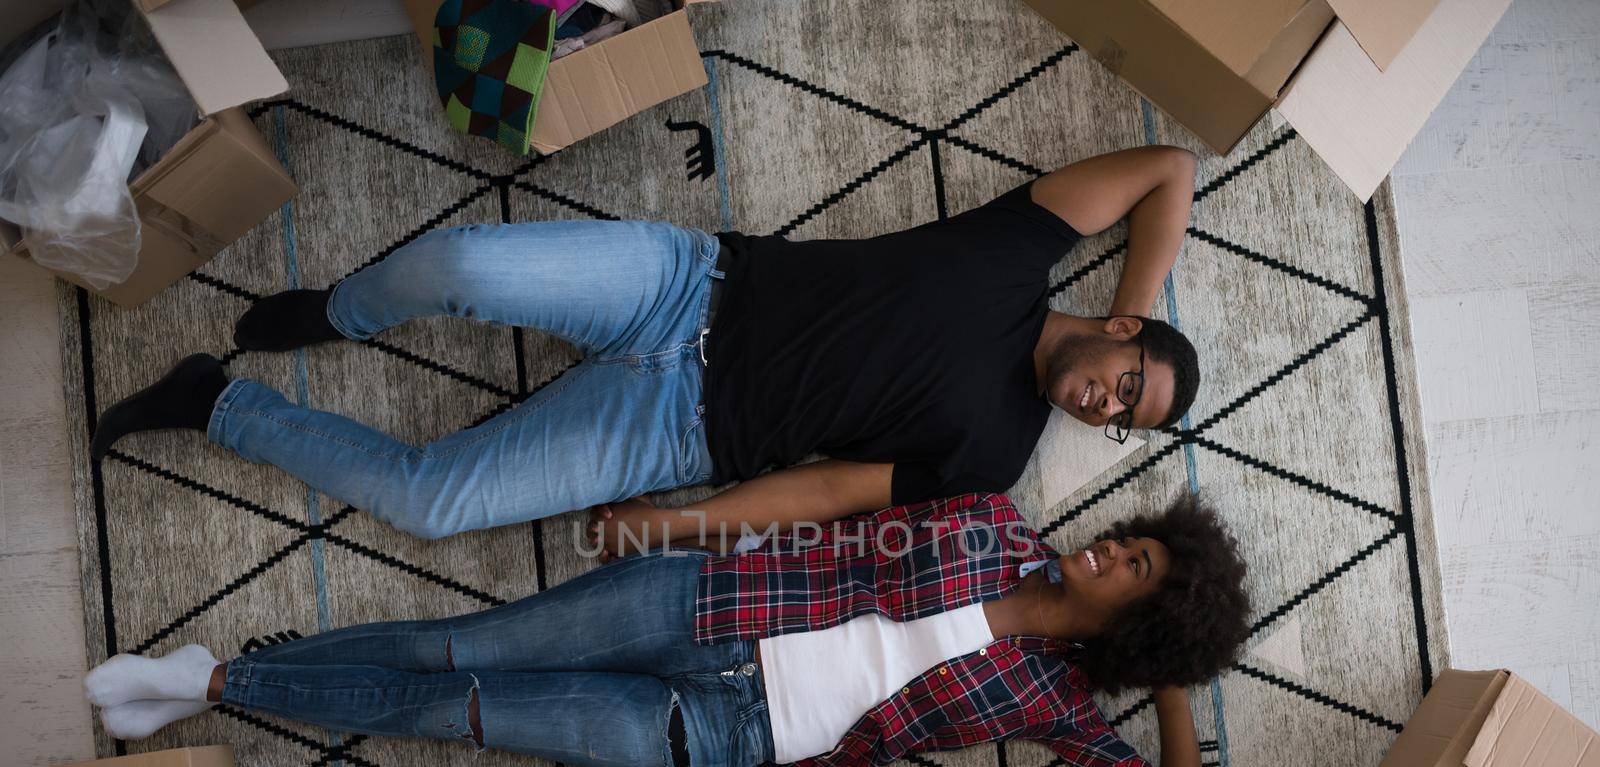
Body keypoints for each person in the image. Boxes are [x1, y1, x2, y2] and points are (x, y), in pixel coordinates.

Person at [89, 147, 1202, 542]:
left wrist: (676, 527)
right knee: (466, 265)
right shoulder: (1022, 254)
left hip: (675, 431)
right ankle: (341, 314)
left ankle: (216, 405)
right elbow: (1167, 170)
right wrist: (1137, 310)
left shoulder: (996, 457)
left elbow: (824, 494)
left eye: (1122, 420)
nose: (1106, 405)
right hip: (691, 286)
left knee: (431, 507)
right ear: (1117, 330)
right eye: (1129, 383)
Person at [83, 492, 1249, 767]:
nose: (1109, 553)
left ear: (1131, 628)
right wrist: (682, 527)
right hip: (706, 604)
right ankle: (214, 680)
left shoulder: (1052, 701)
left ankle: (218, 686)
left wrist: (1170, 678)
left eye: (1134, 575)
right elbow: (839, 528)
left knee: (465, 713)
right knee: (460, 648)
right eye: (1132, 542)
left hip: (723, 736)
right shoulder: (993, 525)